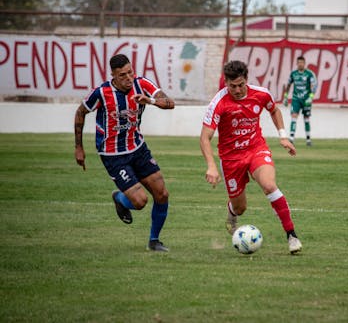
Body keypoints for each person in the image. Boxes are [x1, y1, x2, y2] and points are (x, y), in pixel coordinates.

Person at [74, 53, 175, 252]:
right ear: (113, 75)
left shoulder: (142, 84)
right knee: (140, 202)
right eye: (122, 75)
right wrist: (78, 147)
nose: (128, 78)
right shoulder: (101, 93)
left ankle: (154, 241)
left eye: (130, 72)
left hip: (138, 149)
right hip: (113, 155)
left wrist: (150, 101)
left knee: (162, 194)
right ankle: (119, 199)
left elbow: (170, 103)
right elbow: (80, 112)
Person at [200, 60, 303, 254]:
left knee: (269, 185)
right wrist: (211, 166)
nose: (237, 90)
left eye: (241, 85)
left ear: (246, 80)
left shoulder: (261, 94)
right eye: (232, 86)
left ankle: (291, 235)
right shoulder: (219, 103)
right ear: (226, 83)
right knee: (240, 208)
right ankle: (232, 213)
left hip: (256, 149)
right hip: (231, 158)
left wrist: (283, 136)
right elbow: (205, 137)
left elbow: (274, 109)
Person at [283, 56, 318, 146]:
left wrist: (311, 97)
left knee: (306, 118)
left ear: (304, 63)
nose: (300, 64)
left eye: (302, 62)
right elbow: (288, 85)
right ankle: (291, 138)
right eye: (299, 63)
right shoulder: (293, 74)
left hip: (306, 99)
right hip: (296, 99)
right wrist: (285, 96)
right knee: (294, 116)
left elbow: (314, 86)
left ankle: (308, 139)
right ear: (297, 63)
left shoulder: (309, 74)